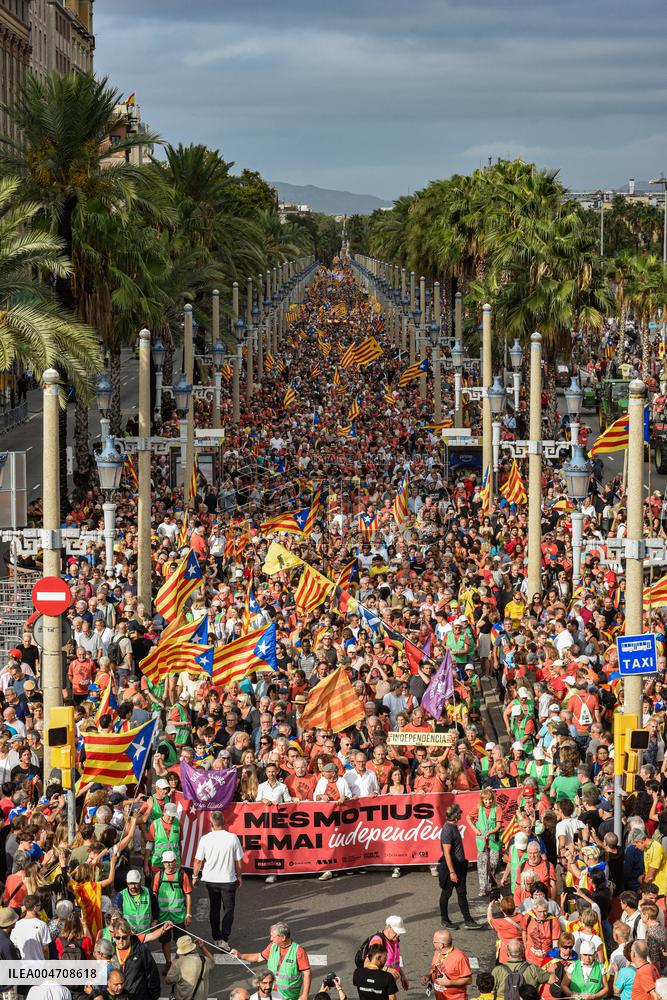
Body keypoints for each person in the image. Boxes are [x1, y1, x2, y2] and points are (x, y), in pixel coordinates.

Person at [192, 809, 244, 946]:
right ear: (224, 822)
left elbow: (198, 861)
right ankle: (224, 938)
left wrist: (194, 876)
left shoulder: (205, 839)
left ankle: (216, 937)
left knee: (214, 908)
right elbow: (238, 861)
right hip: (227, 880)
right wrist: (239, 877)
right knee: (229, 908)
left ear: (211, 824)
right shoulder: (232, 838)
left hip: (210, 880)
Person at [232, 922, 311, 1000]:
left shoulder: (298, 951)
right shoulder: (273, 946)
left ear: (283, 937)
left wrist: (305, 995)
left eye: (273, 937)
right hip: (271, 994)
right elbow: (259, 957)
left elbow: (307, 974)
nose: (271, 939)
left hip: (288, 997)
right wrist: (240, 955)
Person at [438, 803, 479, 930]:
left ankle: (468, 920)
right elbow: (447, 853)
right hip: (452, 868)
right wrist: (452, 872)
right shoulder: (447, 830)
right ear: (455, 816)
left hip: (460, 866)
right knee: (446, 893)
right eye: (459, 813)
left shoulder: (453, 827)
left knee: (462, 893)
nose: (461, 814)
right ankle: (444, 920)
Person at [109, 916, 160, 1000]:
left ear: (130, 935)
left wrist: (154, 996)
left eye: (124, 937)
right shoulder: (111, 951)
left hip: (138, 997)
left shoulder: (141, 950)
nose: (121, 940)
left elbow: (152, 974)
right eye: (117, 937)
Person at [421, 928, 472, 1000]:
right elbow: (434, 967)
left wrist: (449, 982)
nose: (433, 943)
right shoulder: (437, 952)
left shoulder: (459, 957)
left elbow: (469, 980)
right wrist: (428, 976)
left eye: (434, 942)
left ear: (441, 945)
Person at [164, 934, 215, 1000]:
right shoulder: (204, 961)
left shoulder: (178, 963)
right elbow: (212, 961)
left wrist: (172, 966)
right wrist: (202, 947)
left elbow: (168, 980)